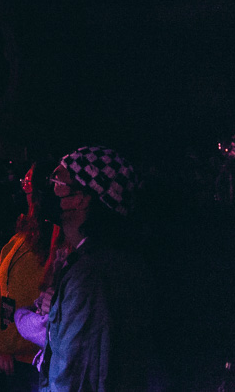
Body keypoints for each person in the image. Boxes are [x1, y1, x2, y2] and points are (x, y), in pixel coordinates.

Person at [40, 146, 153, 391]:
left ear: (82, 197)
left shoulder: (91, 275)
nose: (50, 188)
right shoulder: (107, 260)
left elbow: (73, 374)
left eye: (57, 180)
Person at [0, 160, 56, 392]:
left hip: (36, 360)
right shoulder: (20, 238)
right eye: (23, 181)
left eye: (28, 182)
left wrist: (2, 343)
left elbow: (43, 312)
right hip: (11, 356)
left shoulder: (55, 242)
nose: (23, 188)